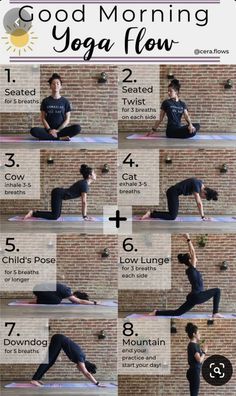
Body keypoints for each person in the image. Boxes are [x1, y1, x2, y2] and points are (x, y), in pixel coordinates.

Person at [149, 234, 223, 318]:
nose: (195, 258)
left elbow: (193, 254)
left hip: (193, 296)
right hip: (197, 296)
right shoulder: (192, 269)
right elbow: (193, 252)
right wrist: (188, 238)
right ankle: (215, 313)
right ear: (190, 260)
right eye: (193, 258)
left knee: (178, 312)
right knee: (217, 290)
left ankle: (156, 312)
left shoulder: (189, 270)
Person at [24, 164, 95, 221]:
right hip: (58, 193)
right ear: (90, 176)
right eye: (94, 173)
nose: (95, 174)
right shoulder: (84, 184)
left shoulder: (84, 183)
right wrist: (85, 216)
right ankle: (33, 213)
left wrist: (85, 216)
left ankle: (34, 213)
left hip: (59, 194)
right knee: (55, 216)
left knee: (56, 215)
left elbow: (84, 202)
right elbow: (84, 202)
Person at [31, 334, 106, 387]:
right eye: (81, 370)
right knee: (48, 361)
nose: (80, 370)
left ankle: (37, 378)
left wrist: (57, 355)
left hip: (59, 340)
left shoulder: (81, 357)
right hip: (59, 339)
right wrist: (97, 383)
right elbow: (87, 373)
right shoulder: (80, 359)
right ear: (85, 366)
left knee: (51, 362)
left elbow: (68, 347)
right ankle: (34, 379)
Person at [30, 73, 81, 141]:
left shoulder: (65, 101)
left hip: (61, 130)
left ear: (61, 86)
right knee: (33, 130)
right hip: (48, 130)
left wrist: (58, 130)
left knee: (77, 128)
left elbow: (67, 119)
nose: (55, 85)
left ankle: (53, 137)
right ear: (50, 86)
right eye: (53, 83)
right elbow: (43, 118)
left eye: (57, 83)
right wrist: (50, 130)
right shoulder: (45, 101)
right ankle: (59, 138)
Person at [141, 177, 218, 221]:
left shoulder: (200, 183)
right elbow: (199, 203)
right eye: (203, 197)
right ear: (205, 192)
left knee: (172, 215)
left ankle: (153, 213)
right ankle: (150, 214)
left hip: (174, 193)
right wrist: (203, 217)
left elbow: (201, 199)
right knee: (172, 216)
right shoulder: (197, 186)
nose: (202, 198)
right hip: (172, 192)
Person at [185, 322, 207, 396]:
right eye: (198, 332)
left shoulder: (194, 345)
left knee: (194, 393)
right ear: (194, 334)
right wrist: (204, 352)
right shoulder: (193, 346)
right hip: (194, 372)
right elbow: (199, 360)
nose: (200, 334)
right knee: (194, 394)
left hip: (194, 371)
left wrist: (202, 348)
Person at [31, 282, 98, 306]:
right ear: (76, 296)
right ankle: (36, 301)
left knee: (58, 298)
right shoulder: (67, 292)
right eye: (75, 301)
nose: (73, 302)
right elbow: (80, 301)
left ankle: (38, 299)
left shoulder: (66, 288)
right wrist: (94, 303)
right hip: (38, 289)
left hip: (38, 288)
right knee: (57, 301)